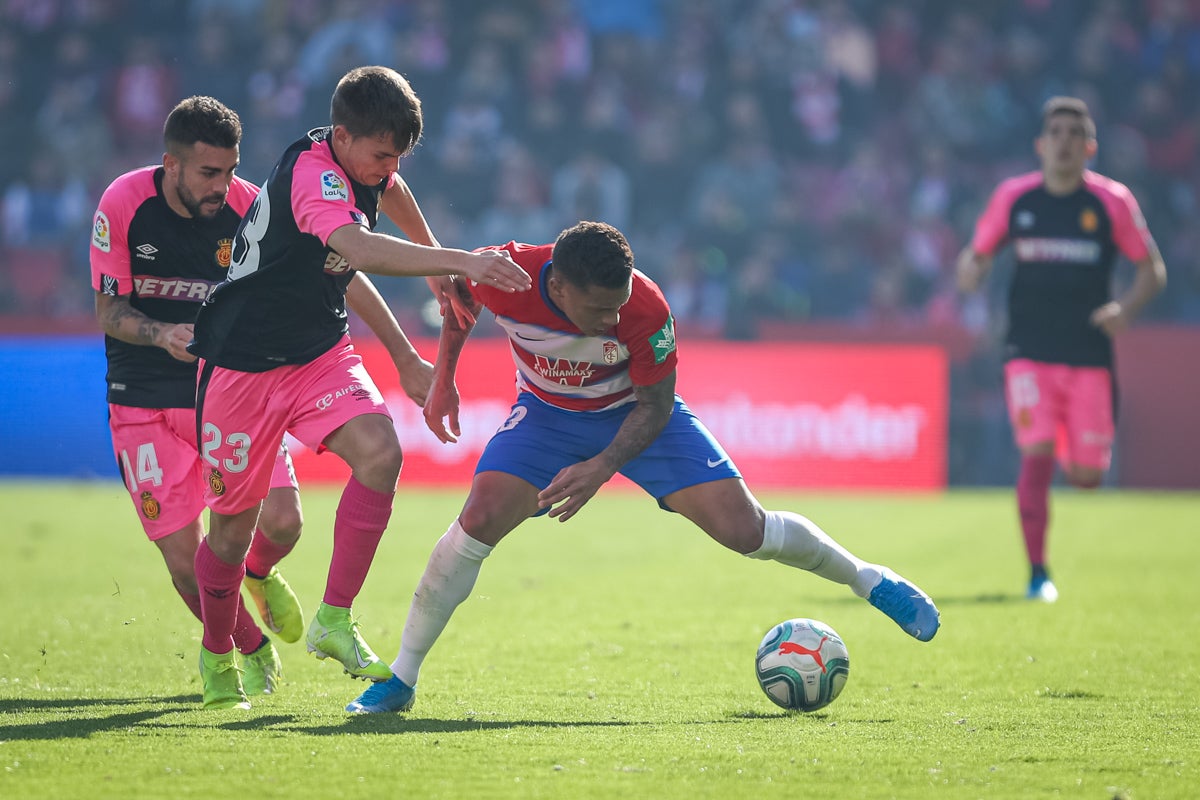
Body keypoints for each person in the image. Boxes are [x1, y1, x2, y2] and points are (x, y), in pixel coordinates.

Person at [346, 220, 941, 715]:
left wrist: (602, 467)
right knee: (478, 517)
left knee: (747, 532)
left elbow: (656, 406)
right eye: (600, 309)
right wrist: (444, 377)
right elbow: (458, 302)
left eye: (618, 305)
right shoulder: (505, 275)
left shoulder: (646, 307)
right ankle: (401, 678)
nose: (612, 319)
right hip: (546, 415)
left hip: (635, 414)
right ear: (560, 284)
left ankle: (868, 578)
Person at [186, 66, 531, 710]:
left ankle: (334, 619)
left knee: (381, 451)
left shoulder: (359, 166)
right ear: (342, 138)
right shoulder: (316, 179)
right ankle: (216, 656)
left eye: (397, 154)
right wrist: (457, 260)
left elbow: (386, 201)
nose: (387, 167)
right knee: (231, 534)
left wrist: (425, 272)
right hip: (240, 368)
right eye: (378, 154)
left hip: (317, 353)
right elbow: (357, 249)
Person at [90, 96, 307, 697]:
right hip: (142, 395)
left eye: (232, 169)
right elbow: (108, 310)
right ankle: (247, 649)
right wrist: (162, 334)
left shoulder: (246, 207)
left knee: (285, 523)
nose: (224, 185)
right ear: (172, 164)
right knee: (188, 559)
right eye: (210, 172)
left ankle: (257, 573)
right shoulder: (124, 204)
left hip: (229, 387)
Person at [956, 96, 1167, 602]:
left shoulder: (1112, 202)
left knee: (1089, 476)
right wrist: (971, 270)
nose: (1065, 141)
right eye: (1057, 132)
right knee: (1037, 456)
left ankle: (1077, 444)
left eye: (1076, 133)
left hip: (1089, 354)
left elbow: (1152, 271)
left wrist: (1125, 310)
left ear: (1090, 147)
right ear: (1040, 144)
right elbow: (976, 255)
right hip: (1028, 350)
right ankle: (1037, 573)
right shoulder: (1015, 198)